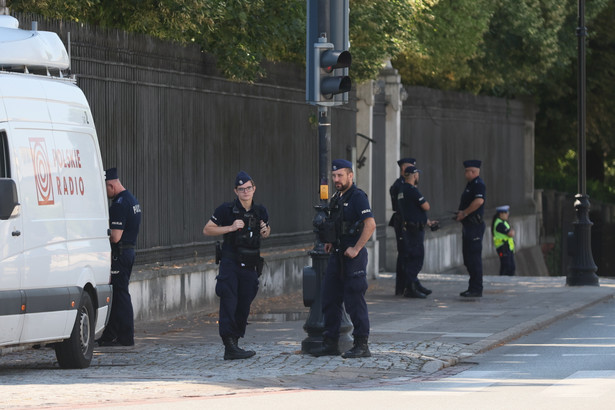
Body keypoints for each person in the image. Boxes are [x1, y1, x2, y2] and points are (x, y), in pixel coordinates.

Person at [311, 159, 376, 359]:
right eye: (334, 176)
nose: (336, 179)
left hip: (353, 256)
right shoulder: (337, 197)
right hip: (337, 254)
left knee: (354, 299)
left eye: (340, 175)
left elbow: (370, 224)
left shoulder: (357, 197)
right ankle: (330, 343)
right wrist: (330, 241)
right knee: (330, 298)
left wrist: (356, 248)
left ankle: (361, 344)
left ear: (350, 175)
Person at [203, 171, 271, 360]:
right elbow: (207, 229)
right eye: (241, 189)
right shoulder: (226, 210)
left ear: (254, 189)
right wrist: (231, 227)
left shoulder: (260, 211)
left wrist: (265, 230)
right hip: (231, 263)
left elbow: (266, 232)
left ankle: (236, 342)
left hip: (250, 264)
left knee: (244, 303)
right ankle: (229, 345)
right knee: (229, 302)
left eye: (248, 188)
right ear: (236, 191)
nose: (245, 192)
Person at [97, 168, 142, 347]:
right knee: (118, 294)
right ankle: (111, 335)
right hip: (128, 251)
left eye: (105, 189)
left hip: (120, 253)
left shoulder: (119, 204)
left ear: (111, 185)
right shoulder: (131, 200)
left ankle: (125, 337)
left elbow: (115, 236)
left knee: (120, 294)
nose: (105, 193)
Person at [397, 165, 436, 298]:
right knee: (417, 258)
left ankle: (414, 285)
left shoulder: (402, 189)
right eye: (417, 174)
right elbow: (426, 206)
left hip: (409, 227)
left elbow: (412, 210)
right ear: (414, 175)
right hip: (414, 230)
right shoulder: (412, 190)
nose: (418, 176)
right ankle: (410, 287)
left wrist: (427, 221)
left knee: (412, 257)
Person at [455, 160, 486, 297]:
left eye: (467, 171)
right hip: (468, 225)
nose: (465, 173)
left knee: (473, 257)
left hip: (474, 225)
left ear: (473, 172)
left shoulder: (478, 184)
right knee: (468, 258)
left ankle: (476, 288)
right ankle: (472, 286)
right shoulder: (470, 184)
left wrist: (465, 213)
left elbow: (479, 201)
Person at [389, 157, 416, 296]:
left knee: (409, 253)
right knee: (404, 253)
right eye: (410, 167)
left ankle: (409, 284)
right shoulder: (400, 185)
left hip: (408, 221)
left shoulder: (407, 184)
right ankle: (403, 287)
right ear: (403, 168)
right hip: (403, 221)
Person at [492, 205, 516, 276]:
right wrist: (511, 232)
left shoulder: (503, 222)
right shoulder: (499, 224)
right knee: (507, 267)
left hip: (507, 248)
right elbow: (511, 233)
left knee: (510, 267)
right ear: (500, 214)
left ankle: (507, 282)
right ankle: (503, 282)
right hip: (503, 248)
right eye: (506, 212)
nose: (507, 214)